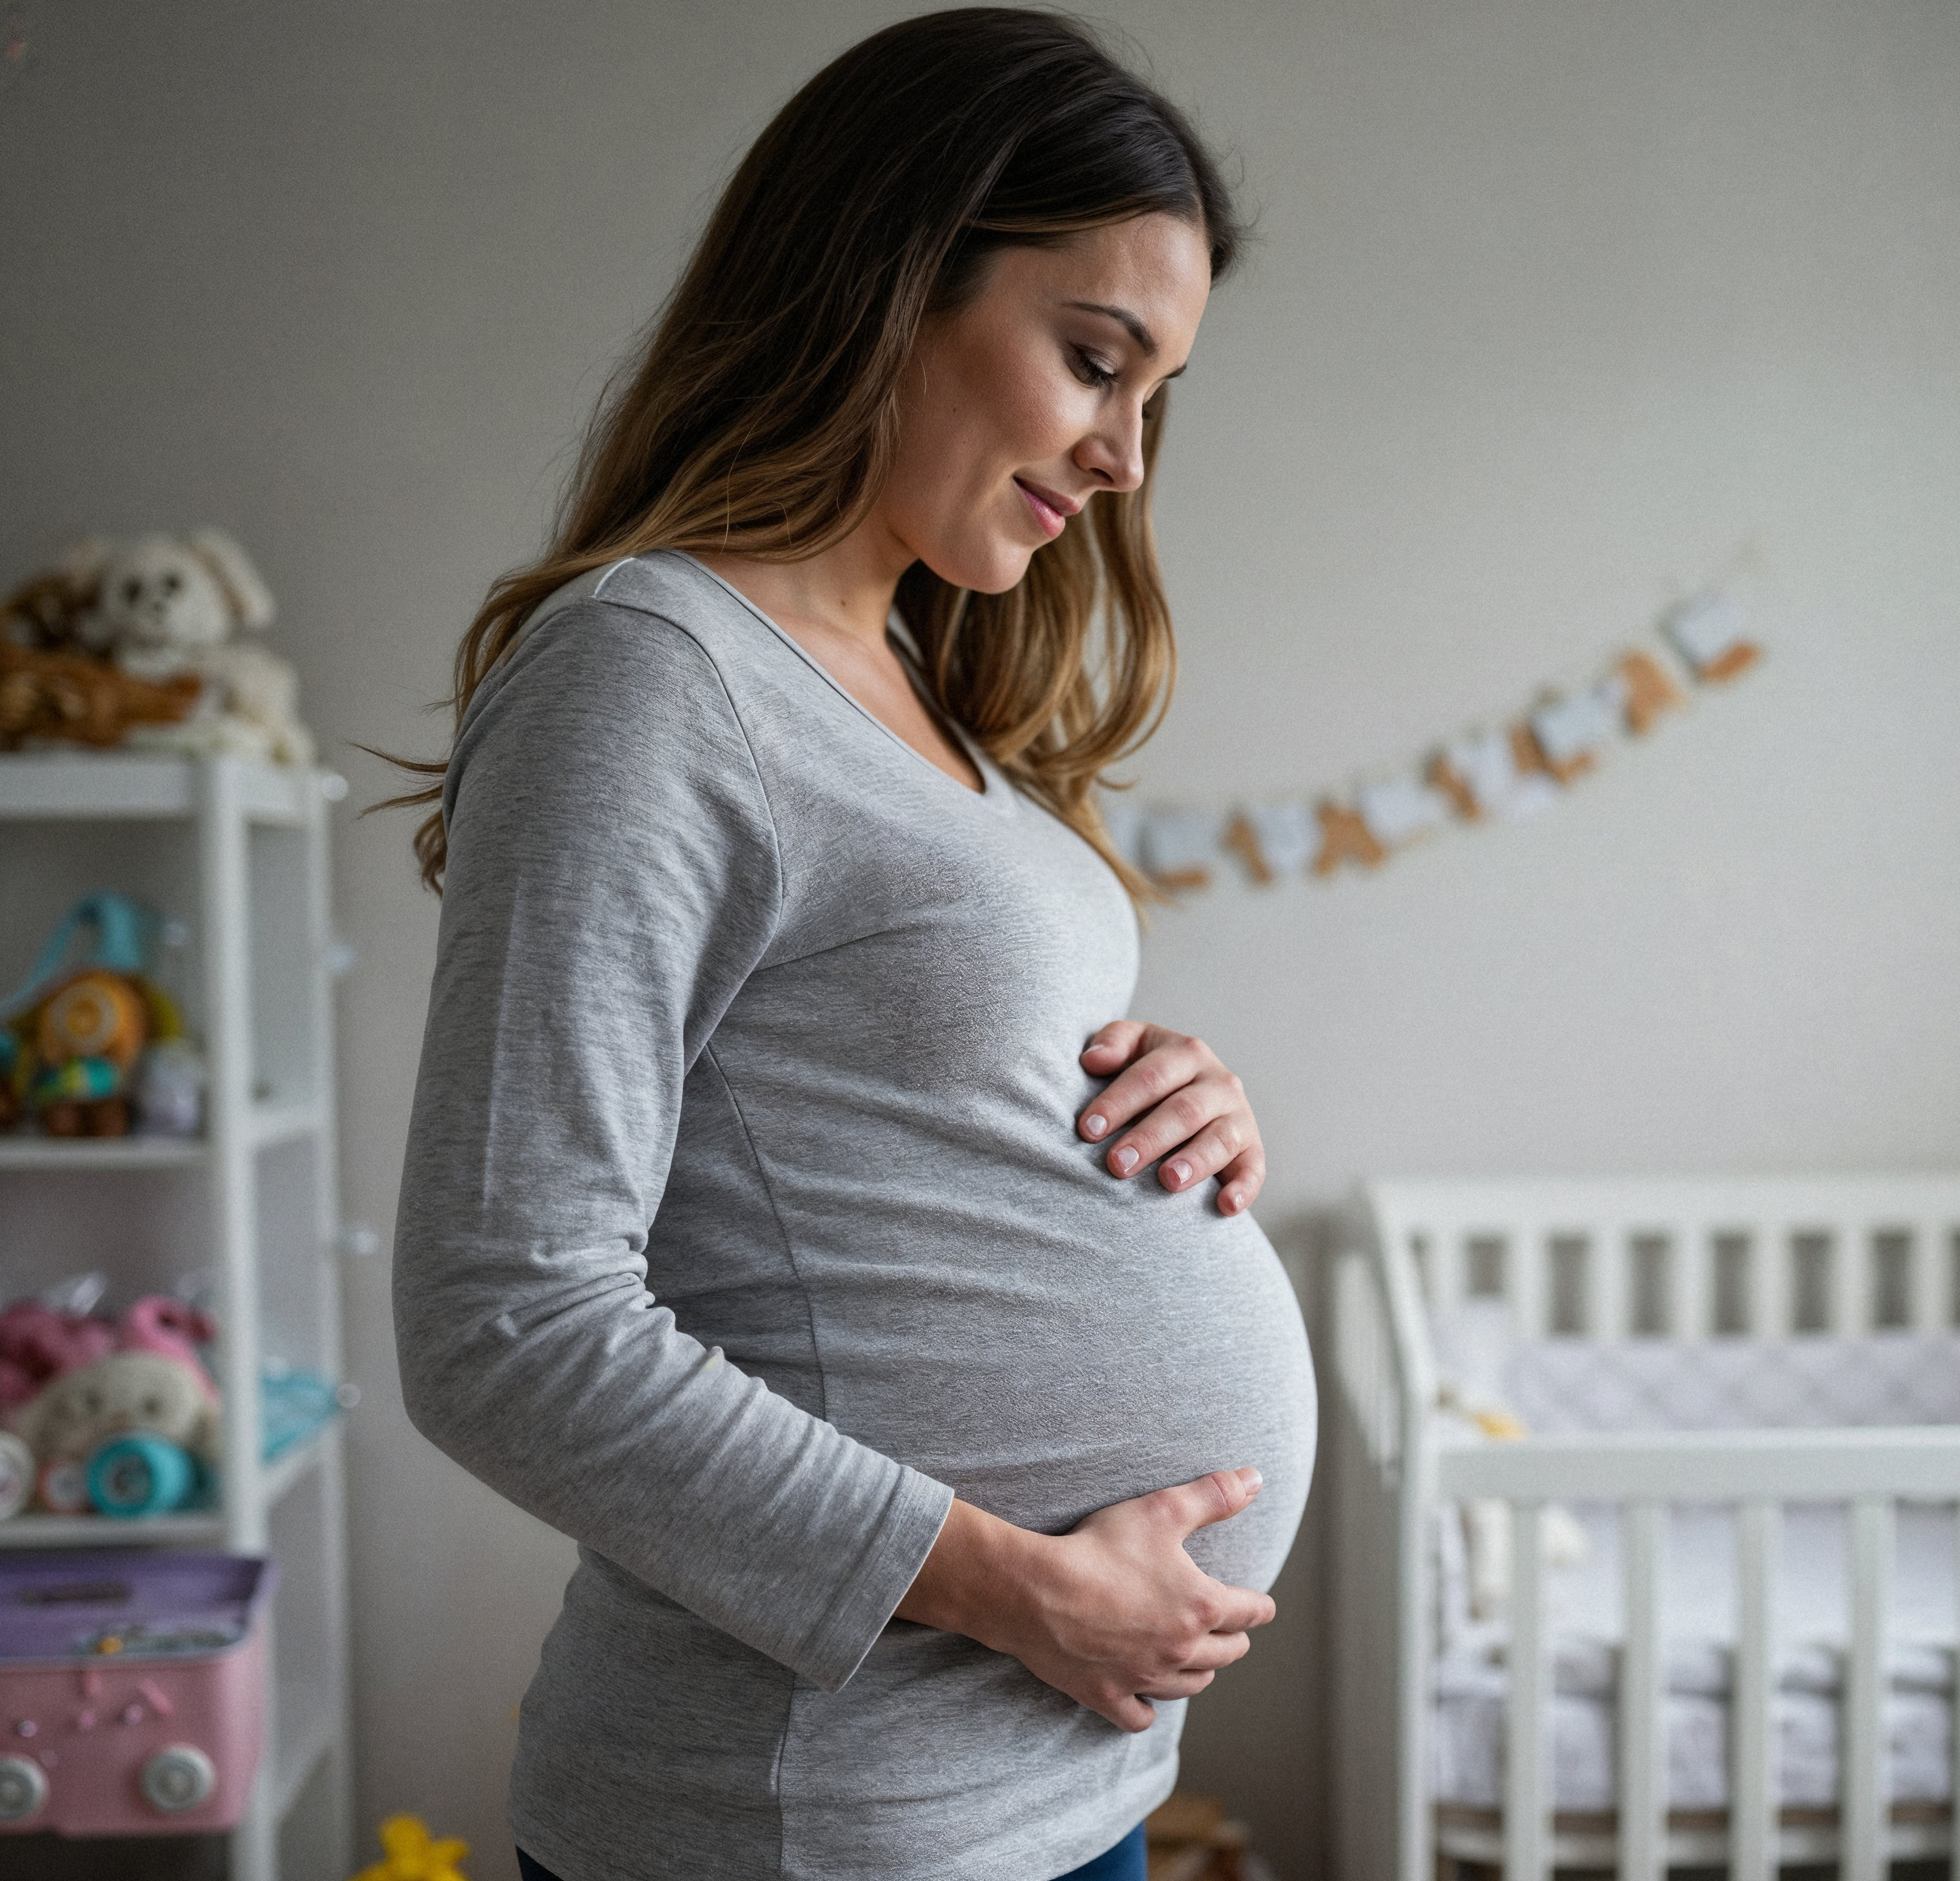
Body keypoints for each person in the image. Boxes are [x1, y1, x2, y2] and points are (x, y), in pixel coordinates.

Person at [382, 13, 1315, 1878]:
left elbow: (888, 1108)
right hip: (818, 1819)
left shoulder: (917, 690)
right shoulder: (650, 674)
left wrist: (1167, 1098)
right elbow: (504, 1319)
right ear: (894, 275)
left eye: (1160, 394)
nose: (1129, 455)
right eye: (1094, 359)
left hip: (1041, 1795)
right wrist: (1010, 1588)